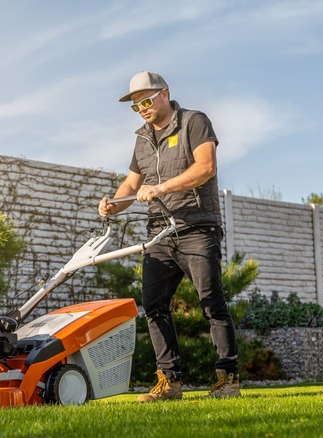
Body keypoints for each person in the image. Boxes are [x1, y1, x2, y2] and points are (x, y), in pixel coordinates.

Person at [98, 71, 240, 401]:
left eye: (146, 101)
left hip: (195, 227)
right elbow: (132, 184)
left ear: (164, 93)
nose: (142, 109)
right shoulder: (143, 139)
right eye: (136, 106)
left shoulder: (194, 121)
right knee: (154, 305)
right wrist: (112, 205)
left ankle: (228, 380)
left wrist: (161, 187)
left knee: (212, 305)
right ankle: (169, 382)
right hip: (159, 234)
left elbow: (206, 167)